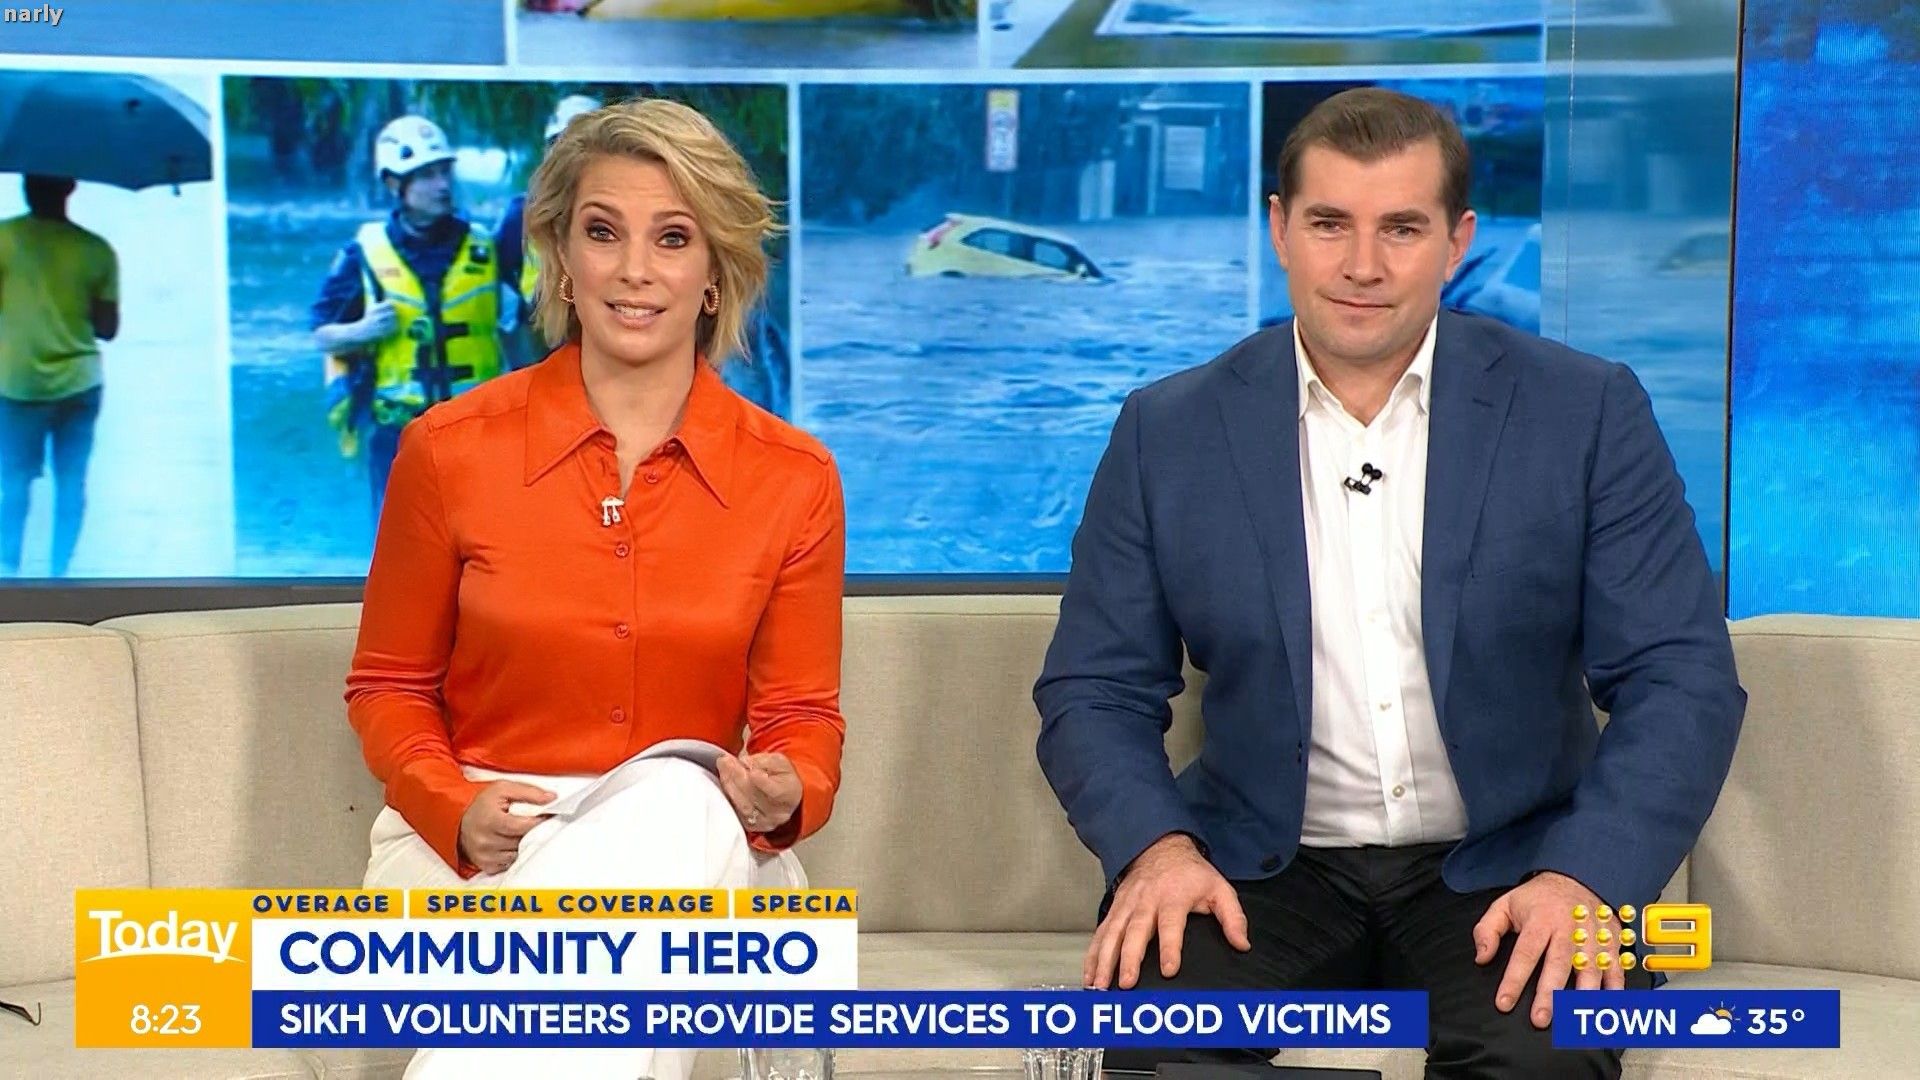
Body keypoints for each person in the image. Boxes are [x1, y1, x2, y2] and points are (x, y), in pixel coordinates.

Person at [1033, 87, 1745, 1078]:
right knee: (1154, 1042)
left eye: (1401, 229)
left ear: (1458, 241)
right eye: (1330, 224)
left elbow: (1680, 679)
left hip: (1513, 866)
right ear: (1280, 229)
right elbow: (1095, 689)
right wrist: (1157, 849)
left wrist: (1585, 878)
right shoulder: (1169, 431)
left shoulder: (1583, 412)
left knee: (1542, 1056)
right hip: (1254, 868)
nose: (1362, 266)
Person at [346, 96, 844, 1080]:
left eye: (673, 238)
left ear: (715, 275)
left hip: (699, 835)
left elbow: (800, 715)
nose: (634, 270)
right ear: (560, 259)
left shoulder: (794, 479)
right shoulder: (448, 451)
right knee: (664, 881)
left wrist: (791, 786)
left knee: (678, 800)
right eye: (603, 232)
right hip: (475, 849)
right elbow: (388, 686)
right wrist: (452, 805)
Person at [311, 114, 505, 515]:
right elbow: (322, 335)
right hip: (399, 434)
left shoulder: (486, 249)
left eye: (445, 171)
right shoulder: (363, 254)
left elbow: (515, 334)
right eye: (427, 175)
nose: (443, 184)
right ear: (394, 185)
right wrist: (362, 330)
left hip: (478, 432)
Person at [0, 175, 118, 578]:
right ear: (70, 188)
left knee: (14, 482)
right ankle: (59, 574)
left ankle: (8, 573)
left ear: (26, 187)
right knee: (71, 482)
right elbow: (108, 328)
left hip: (17, 383)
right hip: (79, 383)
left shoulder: (4, 239)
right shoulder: (96, 249)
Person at [497, 92, 601, 370]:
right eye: (558, 146)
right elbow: (508, 316)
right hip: (543, 355)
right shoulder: (519, 218)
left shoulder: (627, 215)